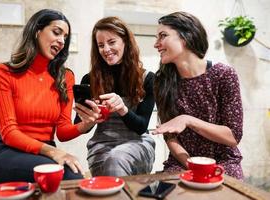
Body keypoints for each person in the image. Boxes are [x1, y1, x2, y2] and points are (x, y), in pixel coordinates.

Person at [0, 9, 93, 184]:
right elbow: (9, 132)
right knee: (70, 178)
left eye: (65, 37)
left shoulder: (65, 77)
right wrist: (53, 152)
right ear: (37, 31)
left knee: (73, 177)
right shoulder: (3, 73)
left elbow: (63, 131)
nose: (61, 41)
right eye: (56, 32)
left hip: (45, 152)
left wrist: (87, 124)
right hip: (9, 152)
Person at [152, 11, 243, 179]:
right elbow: (170, 136)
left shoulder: (224, 75)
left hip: (223, 163)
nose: (156, 44)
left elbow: (233, 136)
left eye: (162, 36)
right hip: (181, 162)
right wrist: (191, 165)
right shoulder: (161, 80)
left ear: (186, 37)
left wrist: (188, 120)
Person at [74, 16, 155, 176]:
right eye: (101, 45)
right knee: (113, 162)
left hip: (137, 143)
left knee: (116, 159)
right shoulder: (89, 80)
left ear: (125, 42)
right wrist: (89, 119)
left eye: (111, 42)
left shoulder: (147, 78)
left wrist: (122, 108)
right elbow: (80, 127)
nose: (106, 49)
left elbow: (141, 127)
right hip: (101, 145)